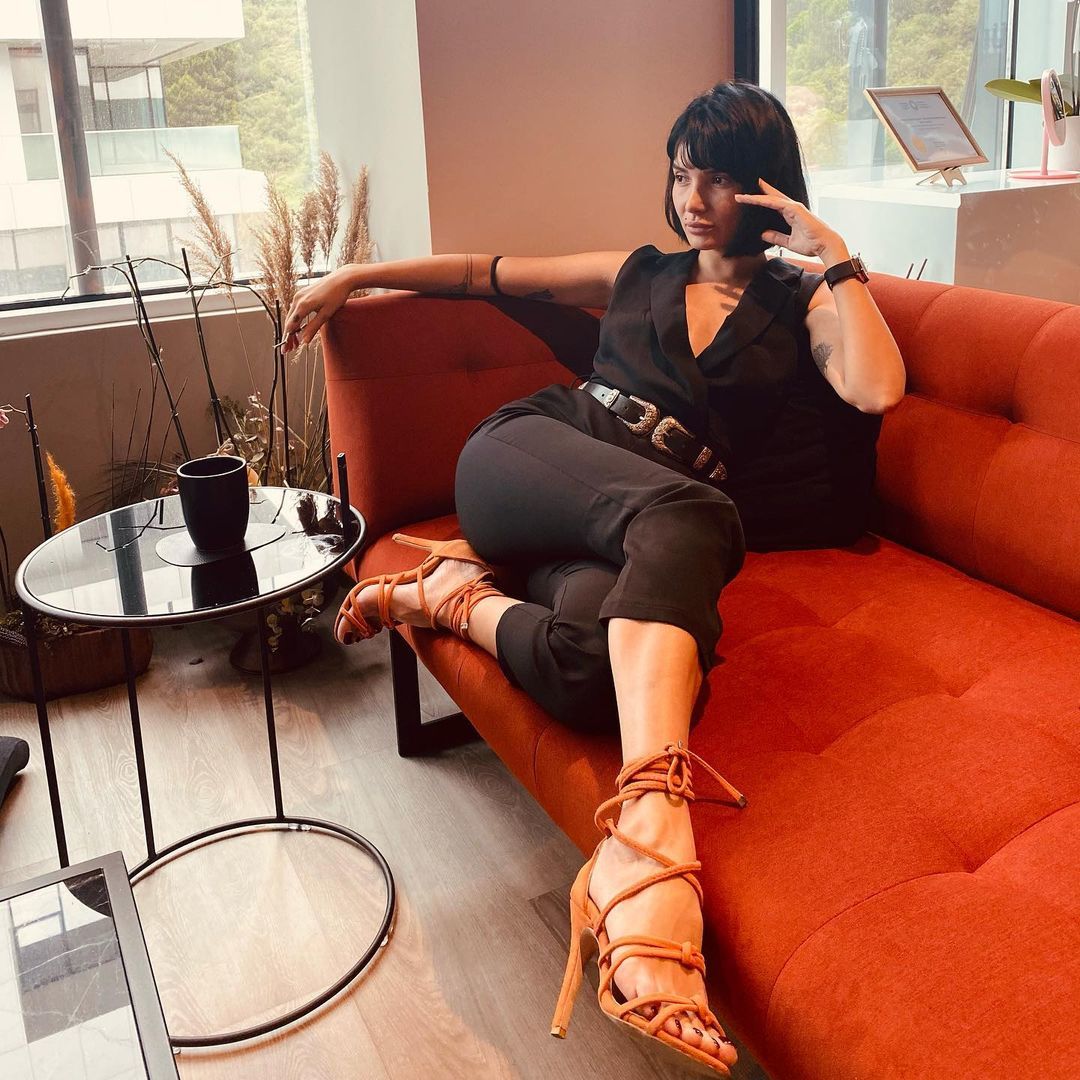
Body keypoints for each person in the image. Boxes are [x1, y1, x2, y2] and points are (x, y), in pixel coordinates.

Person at [282, 81, 905, 1077]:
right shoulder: (637, 270)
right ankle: (653, 838)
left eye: (719, 178)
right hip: (532, 456)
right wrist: (355, 274)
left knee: (588, 670)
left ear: (767, 186)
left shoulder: (802, 305)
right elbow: (482, 273)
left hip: (625, 539)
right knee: (700, 513)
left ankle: (449, 600)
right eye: (682, 174)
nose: (693, 198)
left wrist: (830, 252)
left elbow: (874, 387)